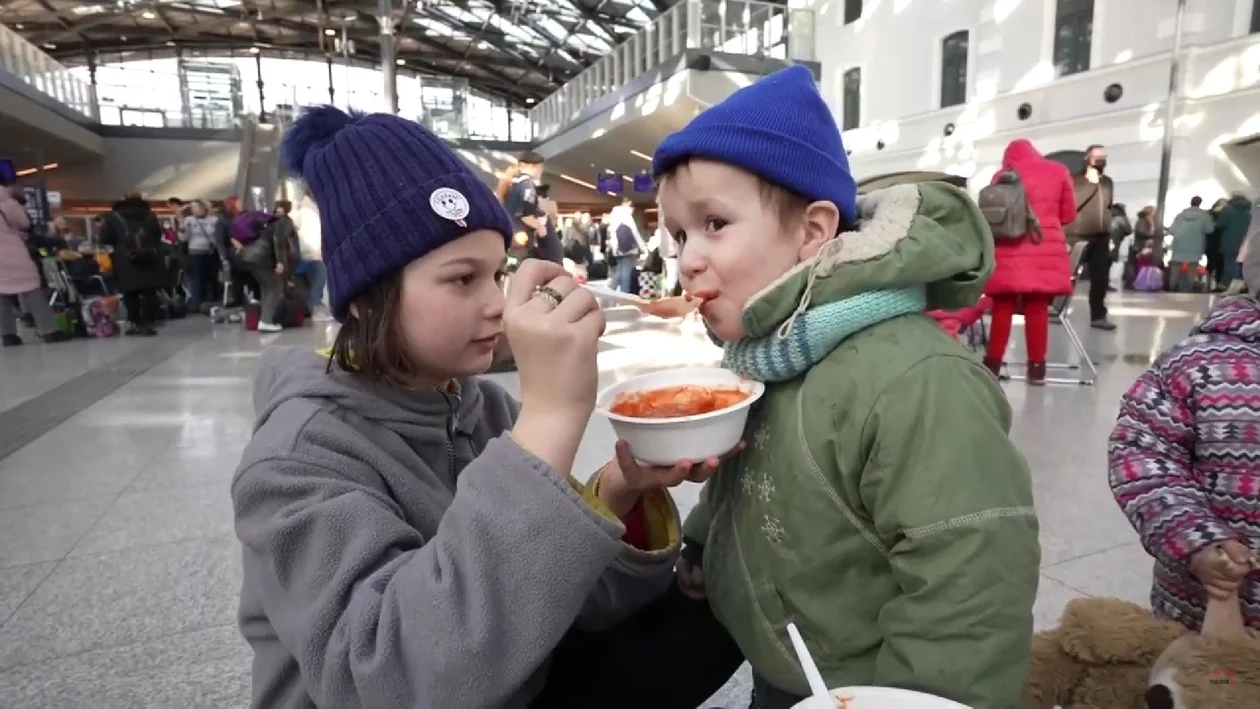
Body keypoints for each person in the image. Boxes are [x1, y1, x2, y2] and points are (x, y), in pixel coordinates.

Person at [232, 105, 743, 709]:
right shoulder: (297, 459)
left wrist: (618, 490)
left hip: (509, 676)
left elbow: (552, 593)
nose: (497, 304)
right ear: (366, 300)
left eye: (497, 274)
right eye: (460, 279)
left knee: (717, 606)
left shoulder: (479, 405)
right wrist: (551, 416)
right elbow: (390, 680)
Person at [653, 65, 1039, 709]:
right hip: (788, 670)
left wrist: (918, 698)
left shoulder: (916, 380)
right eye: (679, 235)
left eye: (714, 223)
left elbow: (971, 570)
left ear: (812, 231)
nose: (689, 257)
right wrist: (700, 543)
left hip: (875, 686)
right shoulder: (768, 353)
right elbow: (741, 479)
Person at [1109, 244, 1260, 632]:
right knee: (1216, 688)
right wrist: (1194, 537)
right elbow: (1142, 455)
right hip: (1210, 622)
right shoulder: (1197, 365)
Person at [981, 139, 1076, 385]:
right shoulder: (1058, 171)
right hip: (1043, 244)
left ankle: (992, 365)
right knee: (1038, 308)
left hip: (1008, 249)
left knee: (1003, 306)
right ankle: (1037, 370)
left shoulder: (1002, 175)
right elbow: (1068, 214)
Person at [0, 181, 70, 346]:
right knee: (32, 290)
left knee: (1, 296)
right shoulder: (7, 202)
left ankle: (8, 335)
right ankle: (49, 331)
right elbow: (24, 223)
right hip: (12, 253)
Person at [98, 192, 167, 336]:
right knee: (150, 291)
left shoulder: (113, 217)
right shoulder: (150, 215)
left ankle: (134, 322)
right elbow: (157, 235)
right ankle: (148, 321)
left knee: (130, 293)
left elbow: (105, 238)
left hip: (125, 260)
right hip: (149, 257)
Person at [1069, 144, 1117, 330]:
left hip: (1101, 236)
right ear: (1087, 158)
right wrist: (1090, 183)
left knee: (1101, 278)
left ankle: (1098, 315)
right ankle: (1055, 308)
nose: (1101, 159)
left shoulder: (1108, 182)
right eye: (1098, 156)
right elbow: (1073, 203)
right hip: (1078, 234)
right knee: (1068, 276)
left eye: (1104, 156)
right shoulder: (1076, 180)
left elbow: (1108, 206)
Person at [496, 151, 548, 269]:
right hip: (521, 235)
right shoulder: (527, 185)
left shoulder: (512, 182)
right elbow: (525, 215)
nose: (541, 171)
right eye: (540, 167)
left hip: (511, 234)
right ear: (530, 166)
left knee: (510, 268)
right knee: (519, 270)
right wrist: (540, 226)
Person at [180, 199, 230, 313]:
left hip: (211, 252)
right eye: (192, 207)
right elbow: (184, 238)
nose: (193, 209)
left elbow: (218, 236)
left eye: (196, 206)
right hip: (195, 252)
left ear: (203, 208)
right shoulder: (189, 220)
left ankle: (212, 301)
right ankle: (197, 302)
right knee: (197, 278)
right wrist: (182, 229)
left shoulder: (214, 220)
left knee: (213, 277)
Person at [1166, 196, 1213, 292]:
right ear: (1200, 203)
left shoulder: (1180, 215)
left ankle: (1172, 286)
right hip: (1195, 243)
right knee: (1193, 266)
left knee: (1176, 265)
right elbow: (1209, 229)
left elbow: (1171, 230)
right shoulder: (1204, 215)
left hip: (1179, 242)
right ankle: (1189, 287)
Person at [293, 194, 328, 319]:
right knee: (320, 277)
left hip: (310, 252)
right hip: (310, 252)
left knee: (314, 280)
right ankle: (314, 308)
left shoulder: (310, 210)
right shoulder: (306, 211)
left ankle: (311, 307)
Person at [1217, 192, 1254, 289]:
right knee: (1242, 264)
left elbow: (1220, 225)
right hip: (1246, 241)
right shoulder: (1250, 211)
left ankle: (1227, 284)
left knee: (1229, 262)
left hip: (1229, 240)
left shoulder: (1228, 210)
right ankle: (1242, 285)